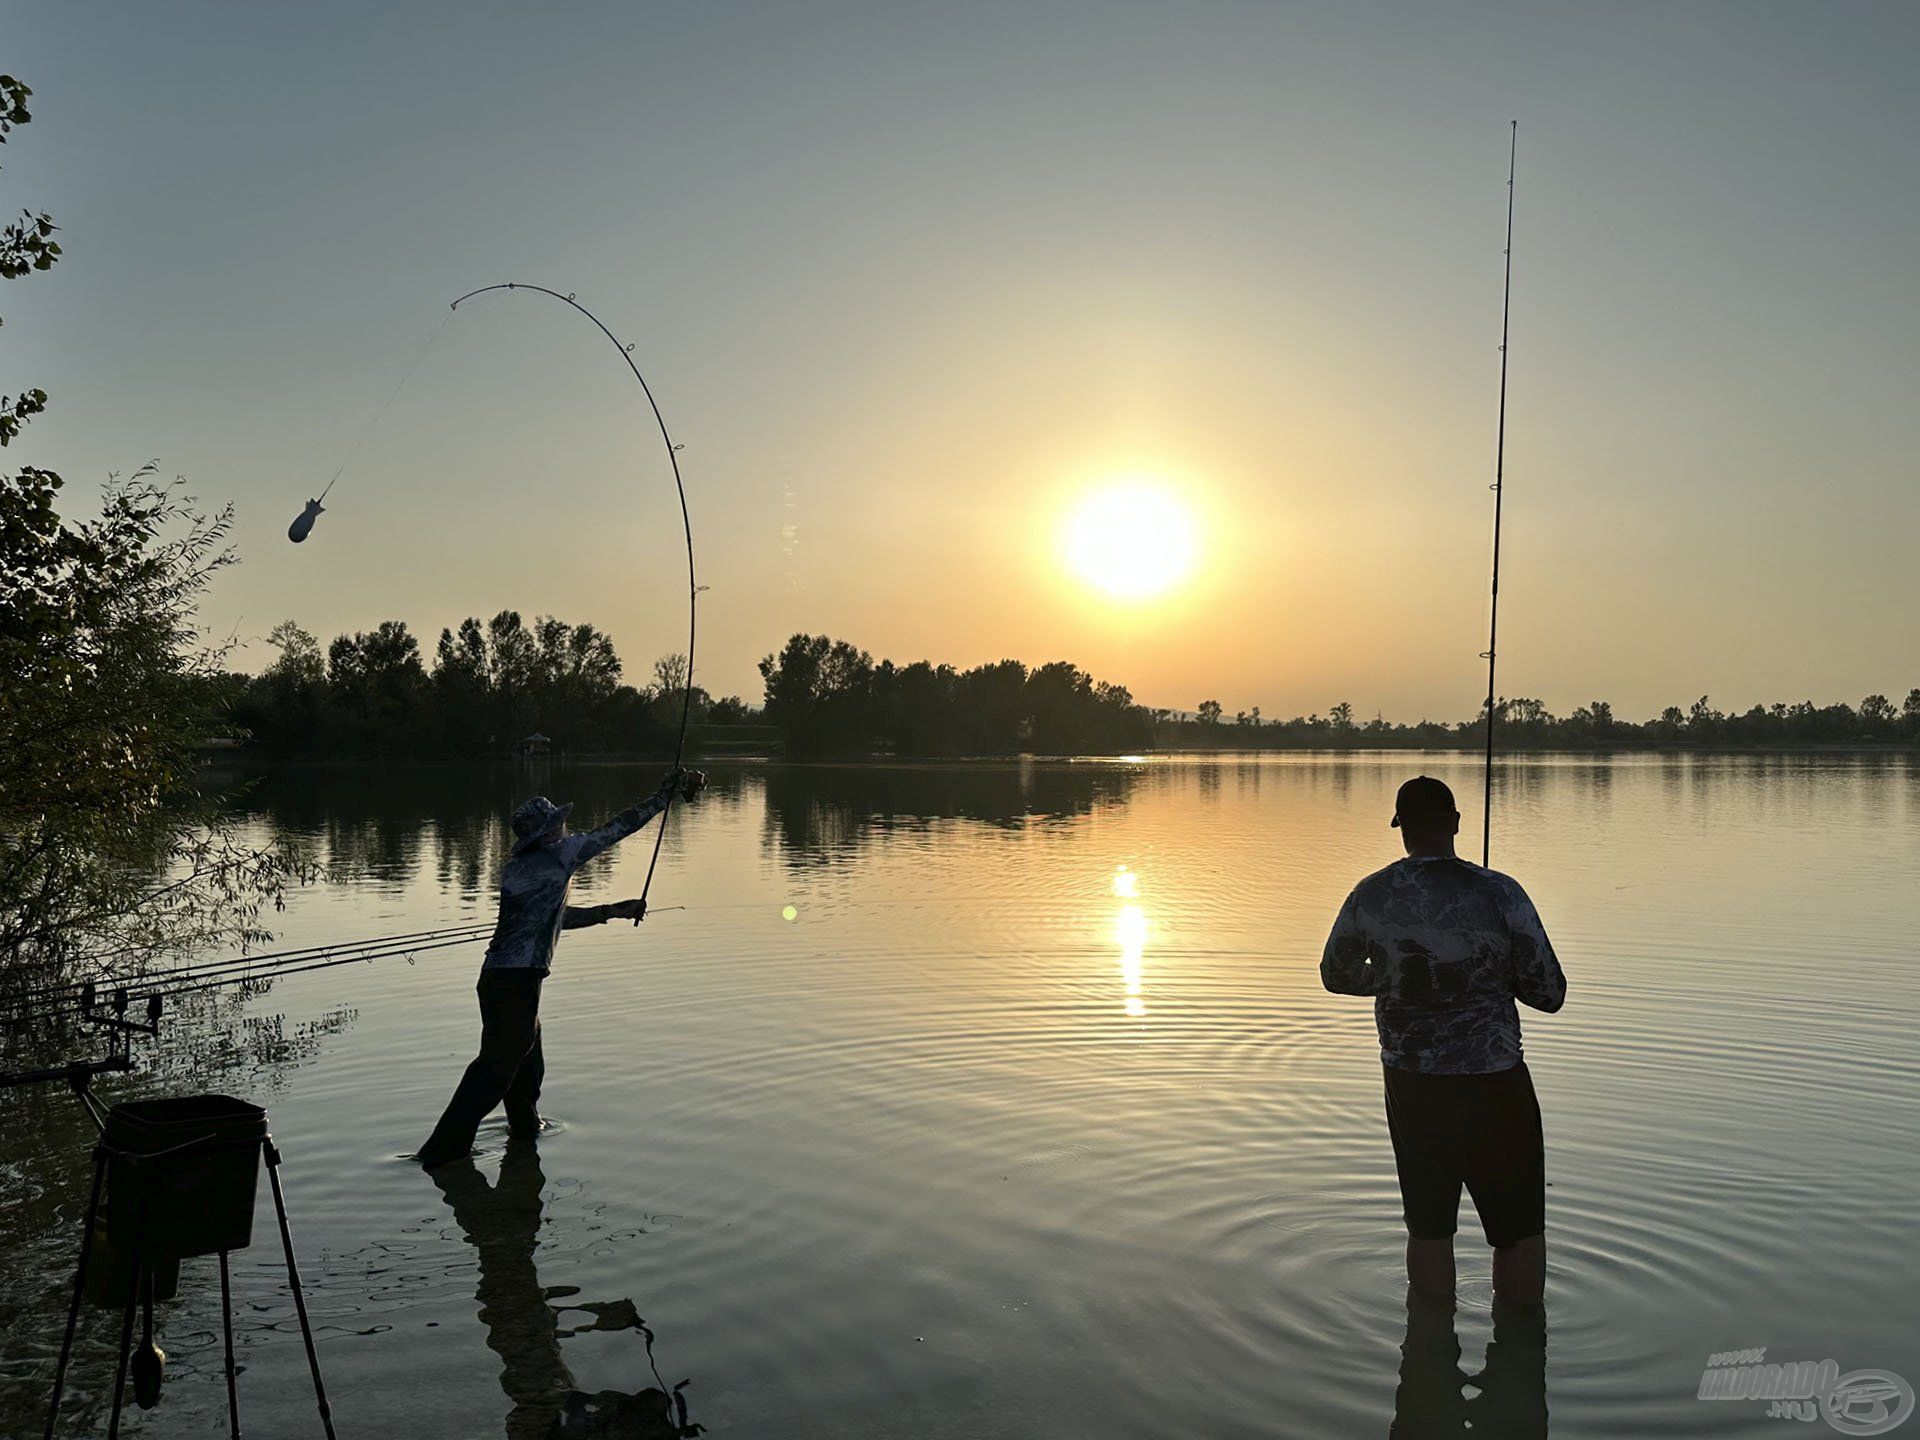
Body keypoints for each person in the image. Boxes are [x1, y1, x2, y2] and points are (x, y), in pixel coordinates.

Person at [1320, 775, 1566, 1304]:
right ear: (1455, 824)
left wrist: (1395, 979)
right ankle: (1521, 1348)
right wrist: (1495, 977)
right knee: (1519, 1227)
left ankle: (1431, 1343)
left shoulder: (1372, 894)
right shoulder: (1501, 891)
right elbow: (1549, 993)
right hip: (1496, 1080)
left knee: (1428, 1226)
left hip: (1413, 1083)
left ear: (1402, 830)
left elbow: (1336, 975)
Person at [417, 769, 706, 1167]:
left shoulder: (519, 869)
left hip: (500, 980)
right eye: (558, 823)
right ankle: (441, 1153)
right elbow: (615, 830)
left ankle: (523, 1139)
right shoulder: (561, 855)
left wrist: (609, 912)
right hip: (517, 981)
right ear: (549, 831)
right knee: (495, 1070)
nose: (564, 826)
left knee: (526, 1066)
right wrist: (662, 798)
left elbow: (553, 918)